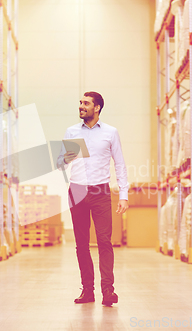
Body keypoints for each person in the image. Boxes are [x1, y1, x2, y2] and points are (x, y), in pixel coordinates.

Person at [57, 91, 129, 307]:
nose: (81, 106)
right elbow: (62, 162)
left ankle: (108, 291)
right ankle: (88, 290)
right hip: (77, 190)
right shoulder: (71, 131)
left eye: (86, 103)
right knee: (81, 244)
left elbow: (120, 164)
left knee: (104, 241)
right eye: (80, 102)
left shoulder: (110, 132)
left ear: (97, 108)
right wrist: (67, 155)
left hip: (100, 191)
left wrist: (123, 195)